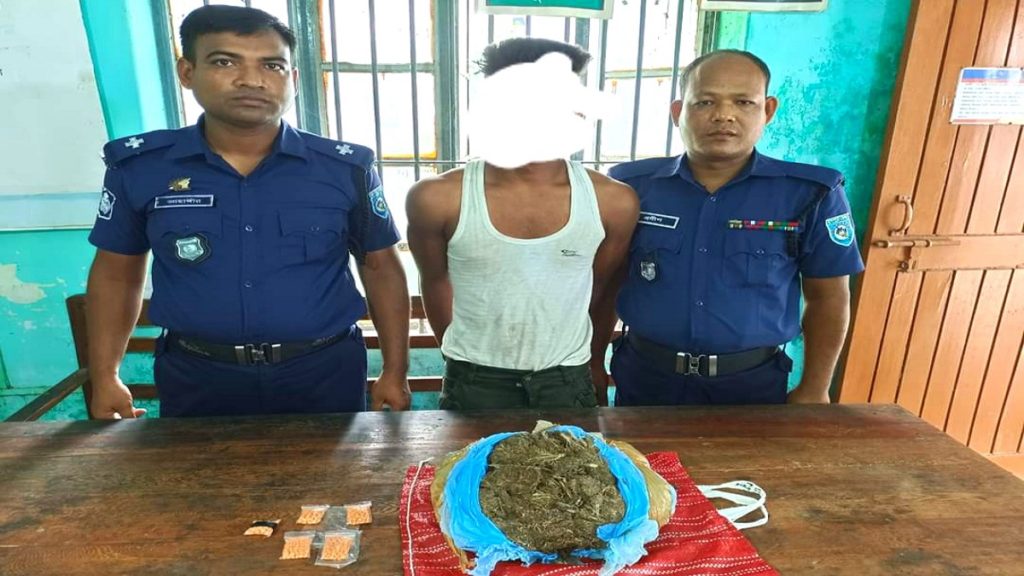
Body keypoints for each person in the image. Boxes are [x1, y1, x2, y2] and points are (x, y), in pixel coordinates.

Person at [86, 5, 410, 419]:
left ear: (293, 80)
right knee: (197, 464)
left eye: (272, 66)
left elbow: (381, 268)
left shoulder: (345, 169)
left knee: (334, 464)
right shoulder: (141, 168)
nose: (252, 80)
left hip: (323, 371)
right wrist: (106, 375)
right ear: (187, 72)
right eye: (225, 62)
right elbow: (116, 274)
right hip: (197, 373)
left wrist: (395, 371)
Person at [593, 49, 864, 406]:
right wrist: (593, 361)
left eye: (743, 102)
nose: (723, 115)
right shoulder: (631, 187)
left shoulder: (810, 194)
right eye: (705, 102)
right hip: (646, 378)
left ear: (768, 110)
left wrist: (815, 387)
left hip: (751, 387)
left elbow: (828, 297)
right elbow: (608, 284)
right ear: (678, 112)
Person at [406, 38, 638, 410]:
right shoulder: (437, 198)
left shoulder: (613, 202)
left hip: (567, 378)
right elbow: (435, 280)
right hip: (475, 381)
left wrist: (594, 361)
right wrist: (464, 361)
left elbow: (602, 288)